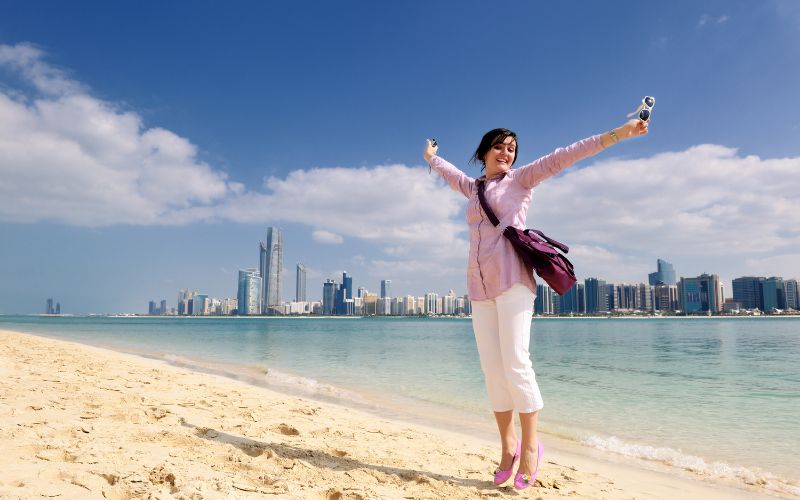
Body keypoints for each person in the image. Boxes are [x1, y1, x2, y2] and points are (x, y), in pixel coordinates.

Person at [423, 118, 648, 490]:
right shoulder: (473, 188)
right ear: (484, 152)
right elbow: (450, 174)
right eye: (499, 146)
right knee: (493, 370)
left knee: (515, 361)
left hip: (514, 283)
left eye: (511, 147)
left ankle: (530, 447)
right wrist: (431, 157)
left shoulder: (521, 180)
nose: (507, 152)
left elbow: (568, 155)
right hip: (479, 288)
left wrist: (619, 133)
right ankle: (507, 446)